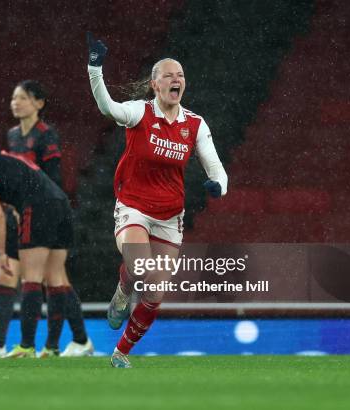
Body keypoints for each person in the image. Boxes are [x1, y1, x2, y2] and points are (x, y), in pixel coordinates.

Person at [86, 33, 228, 368]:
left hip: (169, 217)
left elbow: (216, 167)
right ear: (154, 84)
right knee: (138, 268)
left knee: (155, 294)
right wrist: (95, 68)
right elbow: (108, 107)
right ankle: (123, 290)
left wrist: (218, 186)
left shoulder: (194, 124)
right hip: (133, 206)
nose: (176, 79)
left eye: (180, 75)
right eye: (168, 75)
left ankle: (120, 352)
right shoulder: (138, 113)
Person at [0, 80, 92, 358]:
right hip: (19, 211)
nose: (15, 102)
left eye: (21, 98)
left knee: (49, 276)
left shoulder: (46, 135)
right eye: (13, 98)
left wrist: (36, 205)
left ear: (39, 103)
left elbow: (53, 177)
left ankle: (66, 341)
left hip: (40, 208)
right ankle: (1, 343)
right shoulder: (13, 136)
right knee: (14, 274)